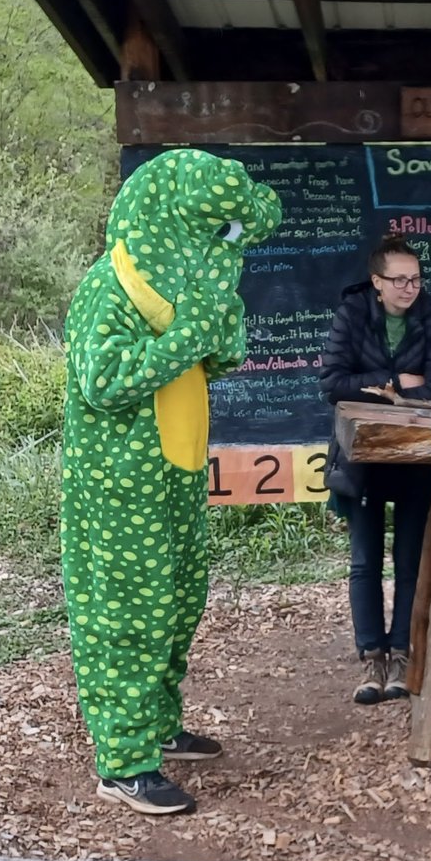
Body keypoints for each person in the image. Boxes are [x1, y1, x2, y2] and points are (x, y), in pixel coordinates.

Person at [62, 148, 282, 814]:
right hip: (122, 485)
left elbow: (217, 358)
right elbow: (105, 381)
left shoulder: (180, 287)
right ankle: (124, 761)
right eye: (206, 233)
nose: (214, 249)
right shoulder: (110, 285)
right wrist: (190, 333)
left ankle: (158, 725)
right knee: (128, 615)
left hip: (175, 472)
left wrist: (215, 322)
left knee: (178, 601)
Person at [319, 233, 431, 705]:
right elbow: (333, 383)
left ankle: (402, 654)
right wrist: (396, 382)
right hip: (362, 458)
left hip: (415, 455)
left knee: (411, 559)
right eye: (399, 280)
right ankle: (371, 657)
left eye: (415, 279)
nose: (409, 288)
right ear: (376, 282)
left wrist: (386, 392)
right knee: (365, 560)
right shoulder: (352, 313)